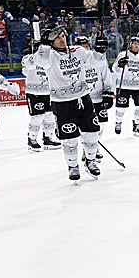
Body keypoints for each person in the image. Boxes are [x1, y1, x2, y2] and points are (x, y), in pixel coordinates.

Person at [32, 26, 102, 182]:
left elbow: (95, 60)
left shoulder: (78, 50)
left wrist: (100, 49)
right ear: (51, 41)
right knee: (70, 138)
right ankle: (73, 166)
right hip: (62, 103)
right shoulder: (49, 55)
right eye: (57, 37)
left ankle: (90, 161)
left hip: (83, 98)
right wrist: (43, 44)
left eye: (63, 36)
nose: (62, 39)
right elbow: (40, 61)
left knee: (92, 133)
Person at [76, 37, 115, 161]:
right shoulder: (74, 61)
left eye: (86, 46)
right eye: (81, 46)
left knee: (101, 124)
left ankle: (95, 145)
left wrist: (108, 93)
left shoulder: (98, 58)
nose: (84, 49)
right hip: (82, 100)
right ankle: (87, 149)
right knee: (85, 127)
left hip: (98, 98)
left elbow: (106, 77)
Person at [20, 38, 60, 151]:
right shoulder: (28, 58)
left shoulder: (50, 58)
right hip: (34, 93)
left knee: (50, 116)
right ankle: (31, 139)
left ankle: (48, 139)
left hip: (49, 92)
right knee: (37, 117)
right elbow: (27, 69)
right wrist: (37, 53)